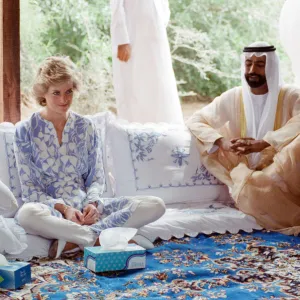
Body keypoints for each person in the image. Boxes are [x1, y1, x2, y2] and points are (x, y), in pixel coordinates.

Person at [14, 56, 165, 258]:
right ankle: (98, 238)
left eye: (68, 92)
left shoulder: (86, 127)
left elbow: (96, 176)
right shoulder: (25, 130)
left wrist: (92, 205)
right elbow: (30, 189)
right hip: (52, 211)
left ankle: (73, 241)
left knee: (155, 205)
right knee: (26, 214)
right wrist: (65, 209)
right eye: (56, 93)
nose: (64, 100)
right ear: (43, 93)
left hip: (88, 209)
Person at [187, 42, 300, 235]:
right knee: (252, 188)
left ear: (271, 66)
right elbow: (196, 120)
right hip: (246, 173)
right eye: (248, 64)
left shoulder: (290, 95)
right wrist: (222, 141)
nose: (252, 70)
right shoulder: (233, 96)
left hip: (284, 172)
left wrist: (265, 142)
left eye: (260, 65)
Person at [110, 0, 184, 124]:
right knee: (134, 85)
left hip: (155, 34)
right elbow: (116, 6)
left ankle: (166, 131)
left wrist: (158, 23)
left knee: (160, 83)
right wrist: (122, 40)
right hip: (132, 37)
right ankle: (136, 134)